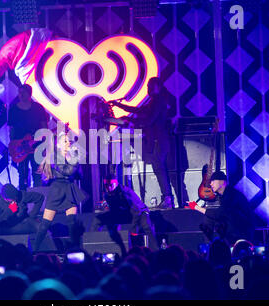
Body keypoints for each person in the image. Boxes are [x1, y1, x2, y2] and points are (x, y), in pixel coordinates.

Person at [108, 77, 174, 209]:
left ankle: (168, 199)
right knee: (159, 169)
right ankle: (167, 198)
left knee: (159, 169)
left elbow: (149, 120)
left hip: (159, 140)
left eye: (150, 86)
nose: (147, 89)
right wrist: (119, 105)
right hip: (158, 140)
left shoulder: (158, 100)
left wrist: (132, 122)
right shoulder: (154, 101)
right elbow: (139, 111)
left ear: (157, 87)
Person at [33, 133, 88, 251]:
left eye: (69, 141)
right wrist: (75, 158)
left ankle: (75, 249)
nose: (69, 143)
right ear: (58, 145)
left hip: (69, 189)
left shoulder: (70, 156)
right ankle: (34, 249)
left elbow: (79, 175)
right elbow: (67, 171)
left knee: (72, 223)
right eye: (65, 142)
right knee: (45, 224)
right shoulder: (55, 157)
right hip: (57, 191)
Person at [93, 175, 159, 256]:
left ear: (116, 183)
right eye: (106, 185)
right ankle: (94, 248)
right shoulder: (107, 195)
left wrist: (133, 230)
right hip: (124, 213)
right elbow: (114, 211)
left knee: (146, 225)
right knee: (98, 219)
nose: (109, 188)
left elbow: (136, 210)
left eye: (111, 185)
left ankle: (155, 251)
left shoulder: (124, 193)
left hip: (139, 212)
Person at [187, 171, 255, 244]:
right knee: (210, 219)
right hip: (234, 232)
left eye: (213, 181)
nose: (211, 184)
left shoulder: (231, 194)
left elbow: (220, 213)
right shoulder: (224, 195)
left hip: (241, 233)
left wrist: (197, 207)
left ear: (222, 182)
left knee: (212, 217)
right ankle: (210, 244)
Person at [8, 84, 49, 190]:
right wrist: (12, 147)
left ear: (29, 94)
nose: (20, 95)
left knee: (37, 174)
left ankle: (38, 199)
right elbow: (11, 130)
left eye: (23, 92)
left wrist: (45, 145)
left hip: (37, 146)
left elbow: (45, 128)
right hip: (20, 148)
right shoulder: (13, 110)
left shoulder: (38, 108)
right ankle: (23, 201)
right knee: (22, 175)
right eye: (19, 92)